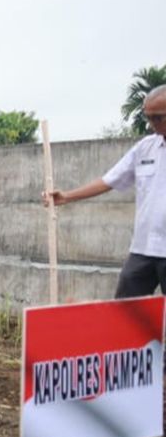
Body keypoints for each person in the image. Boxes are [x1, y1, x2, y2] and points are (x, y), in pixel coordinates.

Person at [44, 85, 166, 297]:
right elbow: (109, 179)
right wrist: (66, 197)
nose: (151, 124)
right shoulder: (145, 148)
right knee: (125, 312)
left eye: (158, 118)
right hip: (143, 248)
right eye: (148, 118)